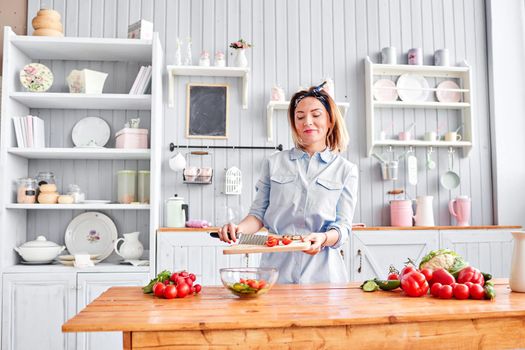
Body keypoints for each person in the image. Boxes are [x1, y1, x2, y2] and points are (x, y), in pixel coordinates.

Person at [218, 82, 358, 284]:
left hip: (324, 275)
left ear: (330, 121)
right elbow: (257, 216)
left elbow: (343, 227)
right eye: (300, 117)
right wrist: (237, 229)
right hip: (276, 273)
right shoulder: (273, 163)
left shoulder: (346, 170)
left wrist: (323, 239)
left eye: (316, 115)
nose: (307, 121)